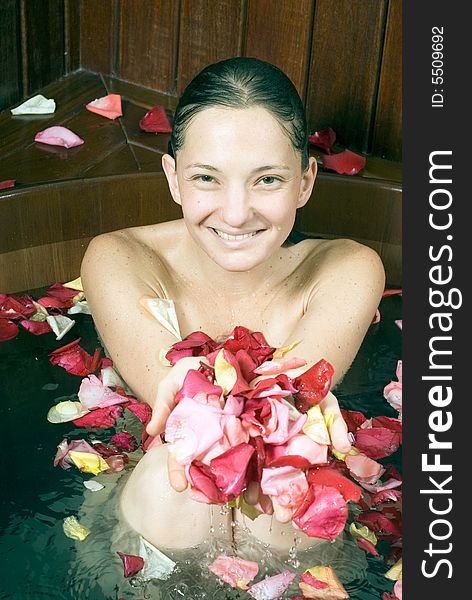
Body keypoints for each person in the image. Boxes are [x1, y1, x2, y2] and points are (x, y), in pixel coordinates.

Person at [81, 57, 385, 553]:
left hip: (283, 526)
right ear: (173, 177)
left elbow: (279, 415)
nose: (237, 213)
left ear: (306, 180)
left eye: (267, 180)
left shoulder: (346, 269)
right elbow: (185, 411)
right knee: (169, 475)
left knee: (285, 480)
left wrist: (281, 408)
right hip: (154, 503)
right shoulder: (119, 258)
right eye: (206, 178)